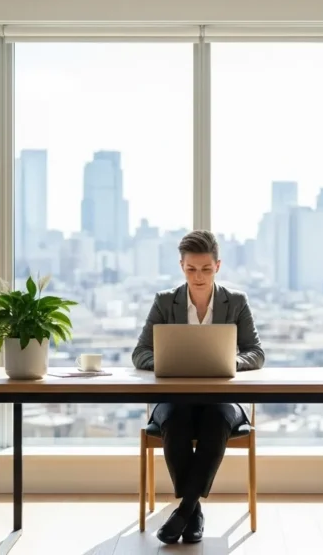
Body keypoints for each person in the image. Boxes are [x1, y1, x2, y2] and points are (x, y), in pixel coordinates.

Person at [132, 230, 265, 544]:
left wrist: (229, 362)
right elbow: (140, 353)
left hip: (223, 400)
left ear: (218, 266)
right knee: (175, 419)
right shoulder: (166, 302)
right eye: (191, 269)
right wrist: (167, 362)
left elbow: (256, 353)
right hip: (175, 399)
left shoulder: (235, 302)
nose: (199, 276)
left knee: (216, 420)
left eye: (206, 269)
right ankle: (192, 512)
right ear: (181, 266)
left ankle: (186, 508)